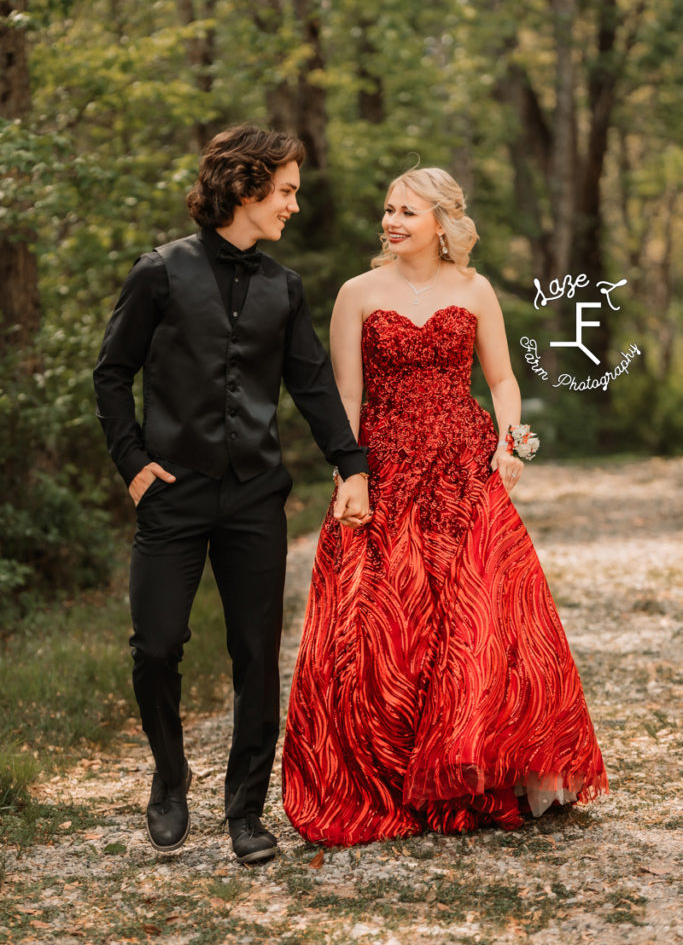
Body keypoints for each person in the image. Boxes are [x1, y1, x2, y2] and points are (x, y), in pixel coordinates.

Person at [282, 166, 608, 845]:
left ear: (440, 222)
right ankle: (385, 777)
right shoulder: (356, 293)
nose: (391, 221)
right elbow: (346, 396)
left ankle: (477, 766)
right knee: (380, 622)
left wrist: (511, 445)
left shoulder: (474, 289)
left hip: (462, 466)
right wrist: (350, 474)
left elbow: (502, 378)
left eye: (406, 211)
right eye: (387, 210)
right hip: (387, 468)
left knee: (482, 616)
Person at [93, 124, 371, 863]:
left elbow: (311, 385)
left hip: (254, 497)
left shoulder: (284, 288)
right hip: (173, 496)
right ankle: (170, 775)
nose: (292, 207)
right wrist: (133, 464)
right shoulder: (158, 272)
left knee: (254, 654)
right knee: (156, 647)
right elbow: (111, 372)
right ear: (246, 189)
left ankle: (245, 811)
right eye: (284, 193)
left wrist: (351, 465)